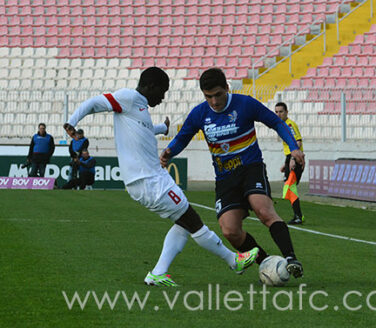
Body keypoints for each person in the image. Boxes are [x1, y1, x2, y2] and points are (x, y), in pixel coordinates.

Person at [63, 67, 259, 287]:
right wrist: (72, 121)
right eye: (162, 91)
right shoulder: (128, 97)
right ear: (150, 86)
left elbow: (143, 129)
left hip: (150, 179)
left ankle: (158, 273)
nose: (163, 97)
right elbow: (94, 102)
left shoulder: (139, 107)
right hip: (148, 181)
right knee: (192, 221)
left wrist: (162, 128)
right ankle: (233, 260)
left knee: (184, 222)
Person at [160, 68, 305, 278]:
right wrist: (169, 152)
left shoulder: (245, 104)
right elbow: (183, 137)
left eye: (218, 94)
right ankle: (267, 264)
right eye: (208, 96)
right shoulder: (200, 113)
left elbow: (276, 122)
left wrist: (293, 147)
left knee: (264, 211)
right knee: (230, 231)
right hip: (225, 178)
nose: (214, 101)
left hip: (250, 168)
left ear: (227, 88)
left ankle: (291, 257)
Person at [275, 102, 305, 225]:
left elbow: (298, 142)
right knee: (290, 187)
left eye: (281, 111)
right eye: (276, 112)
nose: (278, 114)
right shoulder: (282, 125)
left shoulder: (289, 125)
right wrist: (286, 162)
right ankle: (297, 215)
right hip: (291, 158)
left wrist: (293, 159)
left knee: (290, 187)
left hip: (295, 158)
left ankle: (298, 216)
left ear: (287, 112)